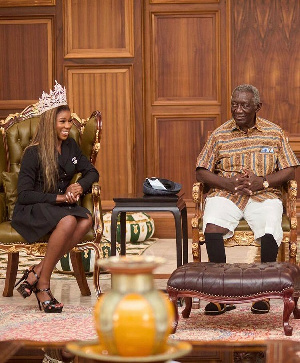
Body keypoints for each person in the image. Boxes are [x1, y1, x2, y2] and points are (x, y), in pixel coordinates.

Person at [196, 84, 299, 315]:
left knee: (270, 225)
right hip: (226, 194)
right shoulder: (219, 134)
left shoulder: (274, 133)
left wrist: (262, 182)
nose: (238, 110)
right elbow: (201, 171)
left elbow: (290, 170)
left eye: (244, 105)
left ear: (257, 107)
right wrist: (229, 184)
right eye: (234, 104)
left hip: (263, 194)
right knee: (212, 224)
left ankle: (261, 295)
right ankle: (219, 295)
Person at [11, 81, 99, 313]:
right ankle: (43, 285)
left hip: (58, 207)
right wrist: (60, 199)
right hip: (33, 207)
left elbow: (92, 172)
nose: (68, 126)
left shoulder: (70, 146)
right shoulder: (33, 152)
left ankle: (37, 271)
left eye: (69, 121)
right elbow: (25, 194)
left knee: (87, 218)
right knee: (71, 220)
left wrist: (79, 186)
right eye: (63, 121)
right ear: (51, 123)